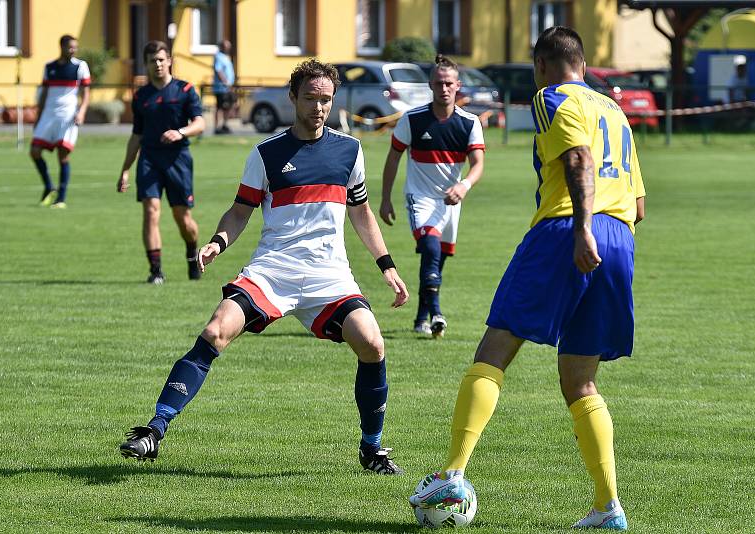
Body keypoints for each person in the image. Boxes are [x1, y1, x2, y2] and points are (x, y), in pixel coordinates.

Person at [119, 58, 410, 475]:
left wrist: (387, 266)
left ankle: (373, 449)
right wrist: (218, 242)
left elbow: (360, 213)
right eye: (310, 98)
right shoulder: (266, 153)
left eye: (326, 99)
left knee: (373, 344)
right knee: (216, 330)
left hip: (330, 274)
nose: (319, 107)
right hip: (274, 269)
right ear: (293, 97)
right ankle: (154, 430)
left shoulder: (351, 150)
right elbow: (240, 212)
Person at [409, 27, 646, 530]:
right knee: (581, 380)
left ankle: (452, 474)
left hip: (567, 228)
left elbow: (577, 158)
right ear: (582, 61)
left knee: (494, 349)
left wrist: (581, 228)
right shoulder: (617, 112)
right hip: (621, 237)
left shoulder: (551, 95)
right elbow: (639, 205)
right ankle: (608, 509)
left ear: (542, 64)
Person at [379, 54, 485, 338]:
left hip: (451, 202)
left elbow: (478, 164)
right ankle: (436, 313)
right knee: (430, 249)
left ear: (458, 85)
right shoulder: (412, 120)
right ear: (430, 84)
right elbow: (393, 159)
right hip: (420, 197)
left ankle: (420, 318)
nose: (444, 88)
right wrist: (386, 198)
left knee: (436, 261)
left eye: (449, 83)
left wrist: (464, 185)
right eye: (439, 83)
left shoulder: (469, 122)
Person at [116, 41, 205, 284]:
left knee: (182, 218)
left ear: (169, 61)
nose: (157, 64)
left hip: (178, 160)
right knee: (151, 211)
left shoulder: (185, 90)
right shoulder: (141, 96)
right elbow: (136, 136)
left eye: (160, 59)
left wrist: (181, 132)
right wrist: (125, 170)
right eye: (151, 60)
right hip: (149, 160)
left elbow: (200, 123)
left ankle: (191, 252)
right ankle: (156, 271)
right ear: (145, 64)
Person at [31, 34, 90, 209]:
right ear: (62, 47)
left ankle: (61, 198)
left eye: (75, 47)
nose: (73, 50)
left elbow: (86, 93)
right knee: (34, 151)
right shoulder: (49, 67)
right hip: (49, 115)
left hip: (68, 117)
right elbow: (43, 95)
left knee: (62, 155)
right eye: (70, 47)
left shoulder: (80, 66)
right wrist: (38, 116)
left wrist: (82, 112)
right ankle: (49, 187)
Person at [213, 39, 235, 134]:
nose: (228, 48)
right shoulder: (218, 56)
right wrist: (225, 82)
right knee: (220, 107)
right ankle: (217, 127)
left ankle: (224, 125)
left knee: (228, 106)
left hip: (227, 87)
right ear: (222, 47)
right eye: (227, 46)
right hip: (221, 88)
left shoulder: (226, 57)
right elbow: (219, 70)